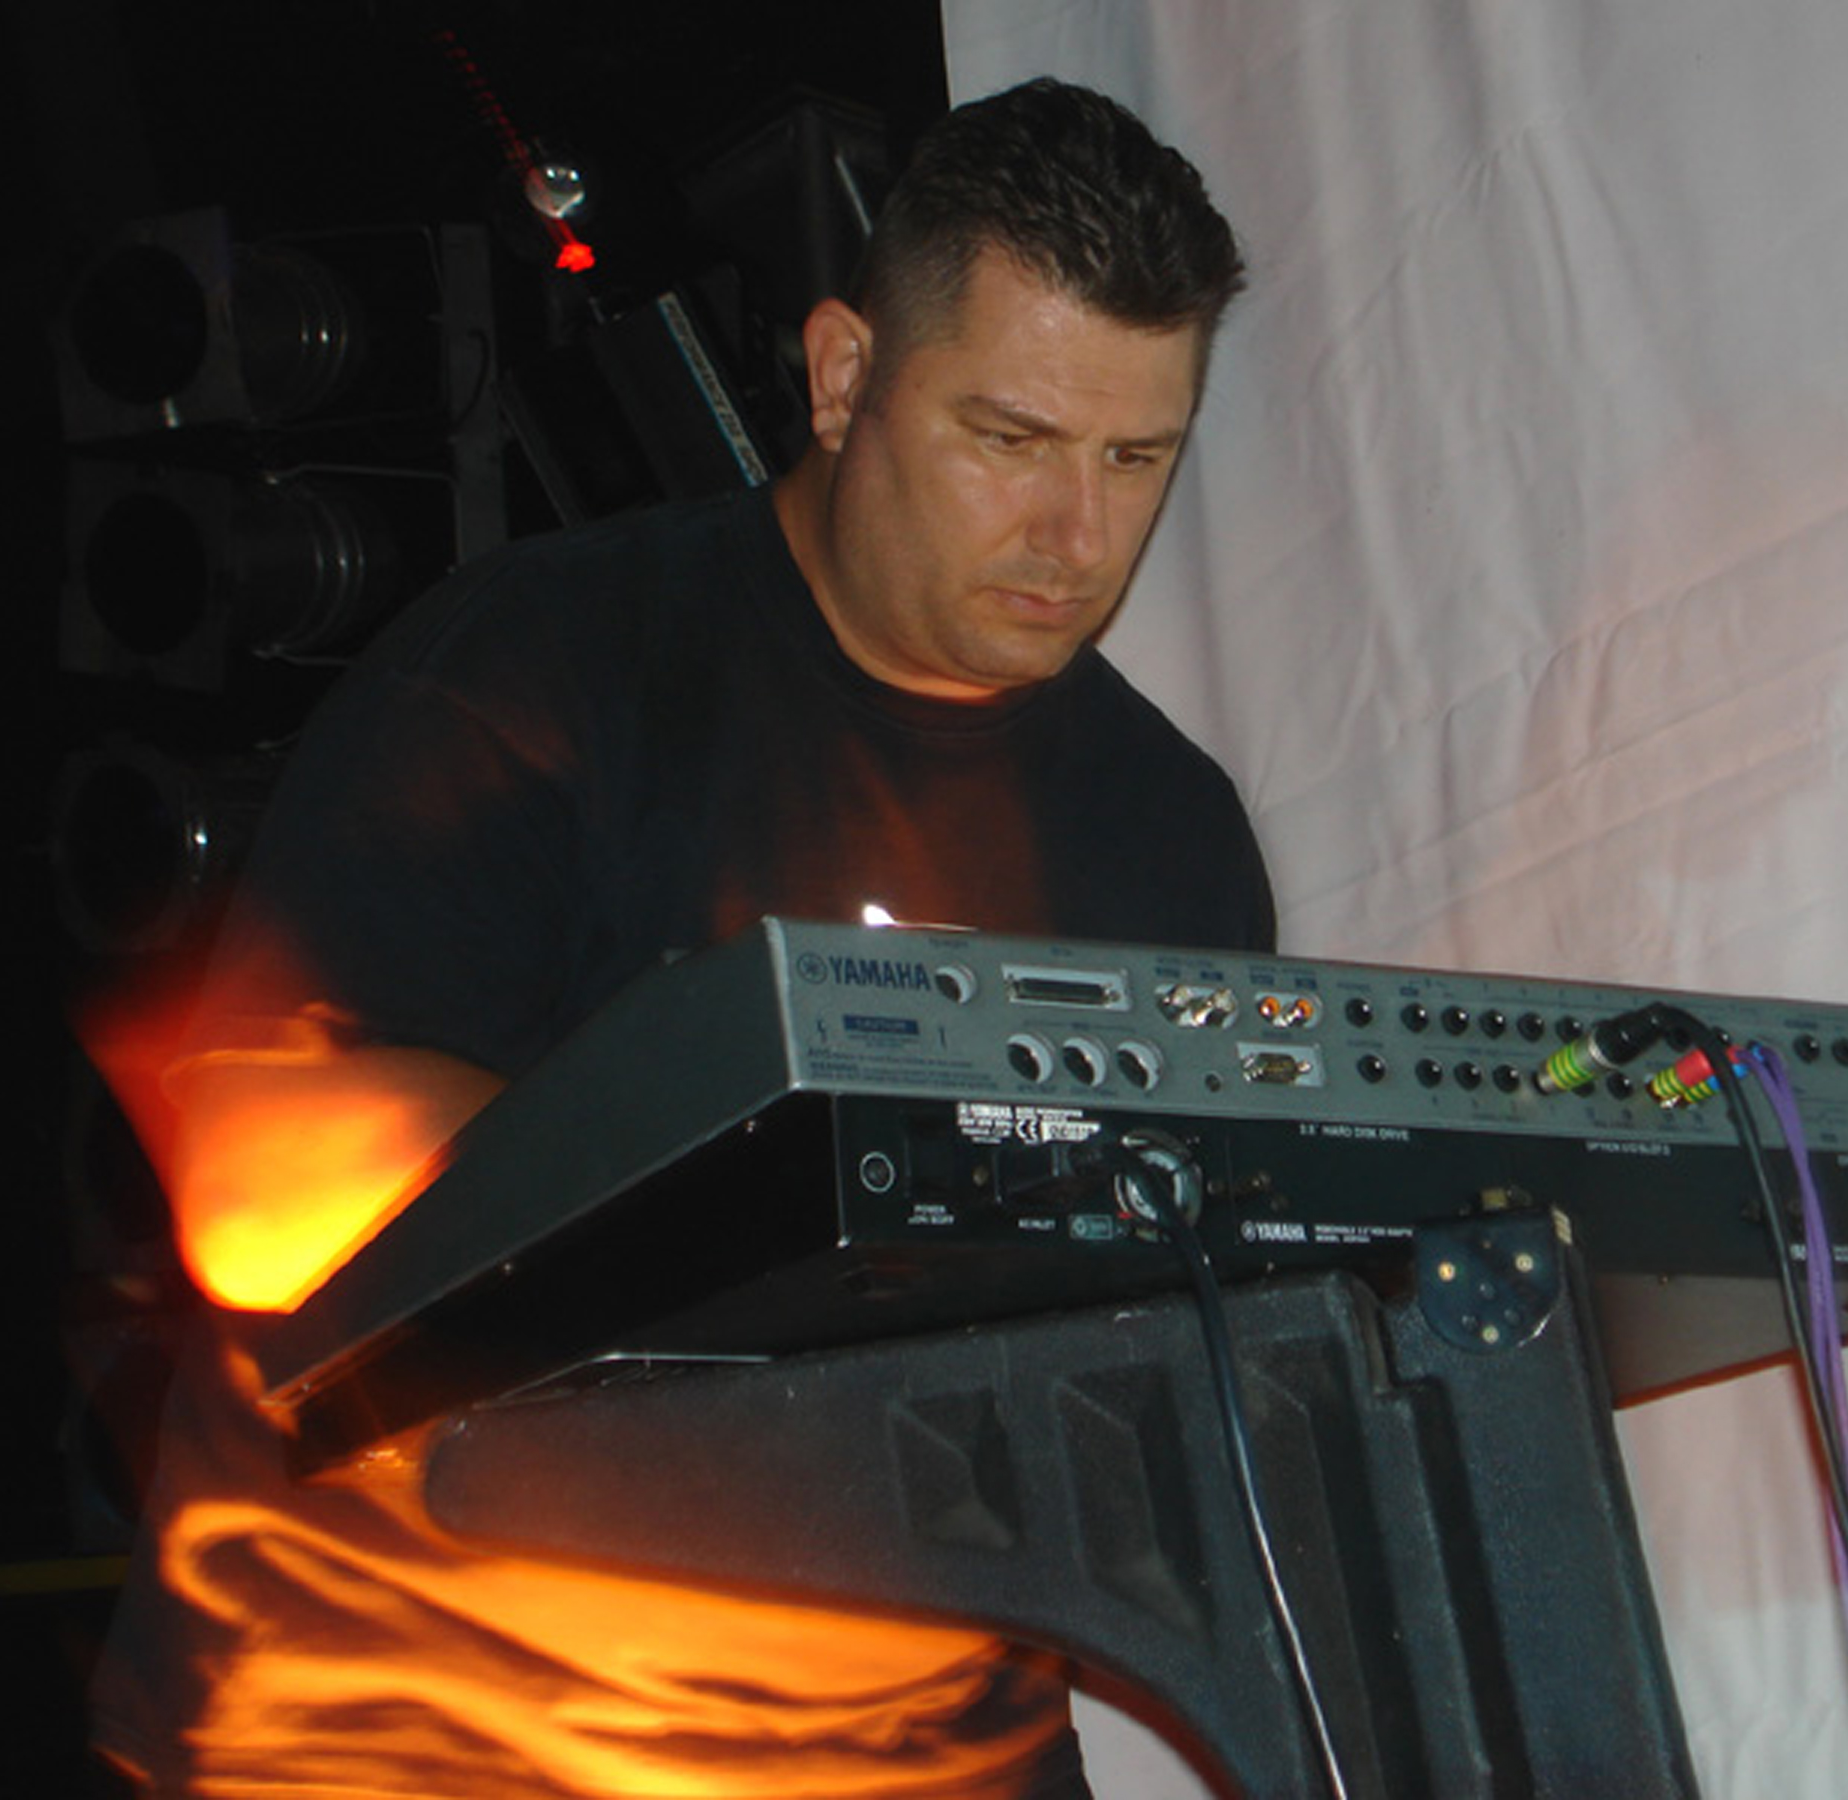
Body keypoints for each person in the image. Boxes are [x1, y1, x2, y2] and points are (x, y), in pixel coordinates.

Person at [92, 77, 1273, 1800]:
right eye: (1010, 441)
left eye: (1134, 459)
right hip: (424, 1731)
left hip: (896, 1749)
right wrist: (756, 1167)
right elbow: (260, 1164)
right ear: (844, 376)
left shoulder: (1170, 836)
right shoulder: (537, 673)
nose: (1075, 536)